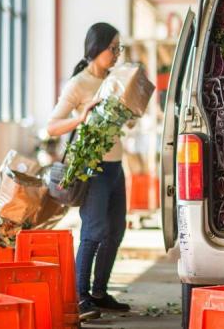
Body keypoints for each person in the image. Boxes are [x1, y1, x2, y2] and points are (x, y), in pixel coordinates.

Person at [47, 22, 130, 321]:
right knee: (94, 231)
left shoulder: (114, 80)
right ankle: (79, 296)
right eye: (113, 48)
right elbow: (52, 125)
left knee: (116, 230)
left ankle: (99, 292)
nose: (117, 54)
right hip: (91, 167)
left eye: (119, 48)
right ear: (96, 49)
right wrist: (81, 117)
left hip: (116, 166)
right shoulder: (78, 84)